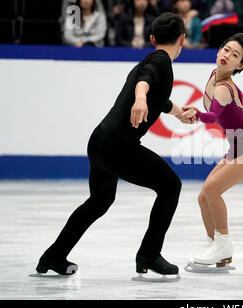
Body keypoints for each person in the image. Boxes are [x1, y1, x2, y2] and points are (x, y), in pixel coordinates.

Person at [35, 13, 187, 282]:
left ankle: (54, 255)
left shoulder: (152, 58)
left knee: (99, 201)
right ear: (183, 40)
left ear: (152, 39)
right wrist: (140, 98)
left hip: (99, 142)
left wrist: (178, 112)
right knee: (170, 186)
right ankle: (149, 255)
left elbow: (157, 95)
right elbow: (147, 80)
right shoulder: (160, 60)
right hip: (119, 147)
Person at [176, 33, 243, 272]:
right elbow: (213, 113)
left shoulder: (224, 87)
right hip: (239, 146)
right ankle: (217, 249)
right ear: (219, 51)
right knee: (203, 197)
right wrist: (196, 115)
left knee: (212, 190)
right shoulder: (213, 76)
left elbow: (212, 116)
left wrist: (197, 116)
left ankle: (223, 245)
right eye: (226, 49)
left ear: (240, 65)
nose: (227, 55)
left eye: (235, 55)